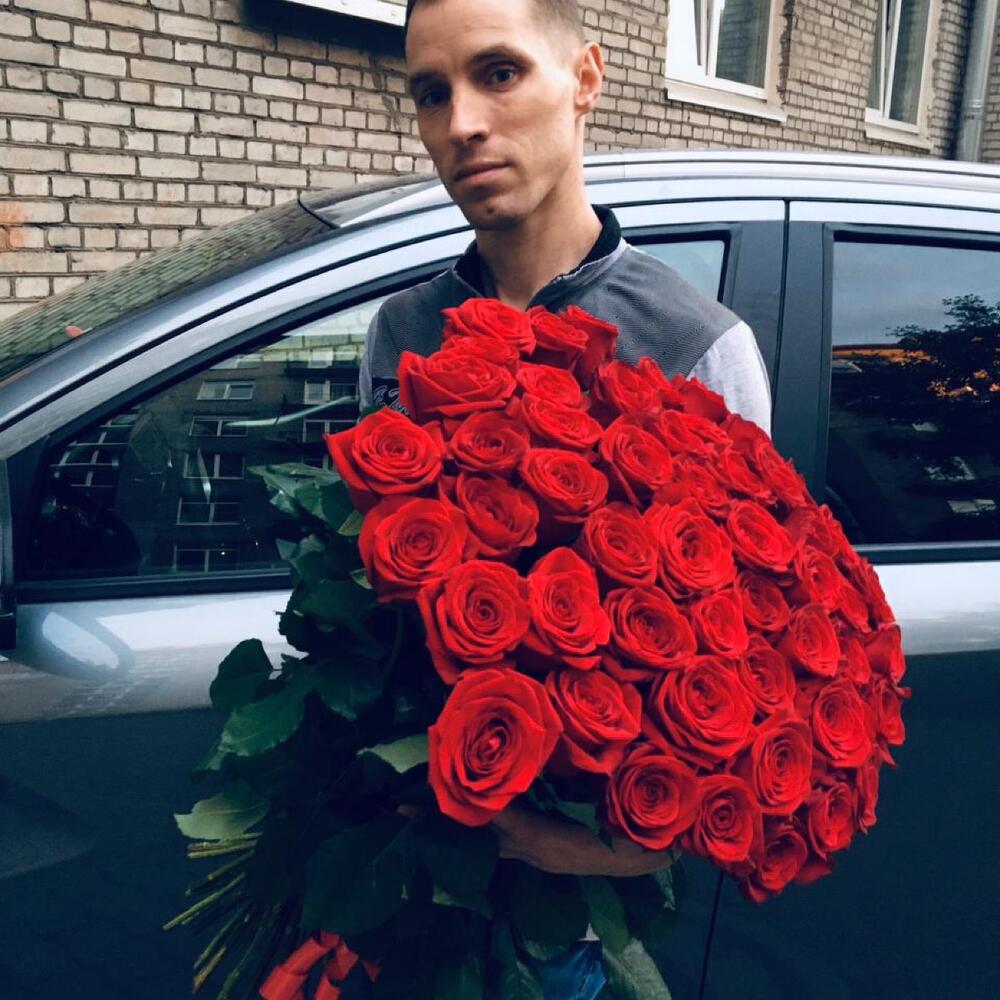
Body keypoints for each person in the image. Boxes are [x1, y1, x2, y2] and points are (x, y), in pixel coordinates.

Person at [356, 0, 773, 995]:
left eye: (498, 74)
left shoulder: (696, 347)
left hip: (566, 924)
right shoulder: (403, 333)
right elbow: (368, 599)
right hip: (411, 884)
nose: (461, 124)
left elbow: (742, 661)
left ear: (584, 79)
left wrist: (617, 846)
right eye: (430, 93)